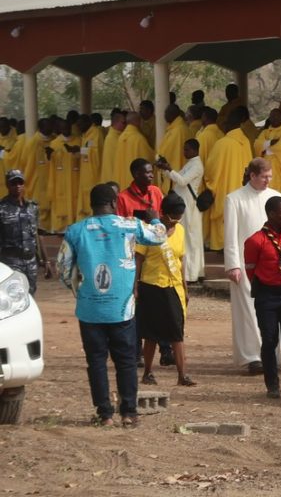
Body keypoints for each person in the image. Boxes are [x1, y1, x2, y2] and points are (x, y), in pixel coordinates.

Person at [57, 184, 167, 426]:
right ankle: (129, 412)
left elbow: (63, 270)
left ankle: (104, 414)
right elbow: (159, 236)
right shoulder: (129, 225)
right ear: (115, 202)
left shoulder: (76, 231)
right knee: (126, 361)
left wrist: (81, 292)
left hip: (90, 309)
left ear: (91, 203)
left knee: (96, 361)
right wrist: (156, 219)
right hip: (122, 308)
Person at [223, 158, 281, 375]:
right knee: (247, 309)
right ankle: (252, 357)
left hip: (273, 263)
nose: (268, 181)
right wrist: (232, 264)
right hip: (244, 263)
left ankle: (272, 355)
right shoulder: (234, 199)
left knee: (272, 308)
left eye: (270, 177)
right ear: (252, 176)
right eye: (264, 177)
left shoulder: (275, 197)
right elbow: (230, 234)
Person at [243, 196, 281, 398]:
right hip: (267, 296)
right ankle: (272, 385)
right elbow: (251, 271)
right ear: (271, 214)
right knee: (269, 341)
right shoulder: (255, 241)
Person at [136, 193, 195, 387]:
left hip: (173, 286)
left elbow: (181, 260)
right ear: (163, 213)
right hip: (151, 285)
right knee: (151, 334)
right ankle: (147, 373)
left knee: (177, 331)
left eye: (179, 217)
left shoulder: (180, 231)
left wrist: (185, 287)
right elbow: (139, 259)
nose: (176, 221)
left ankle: (182, 375)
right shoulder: (149, 230)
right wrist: (134, 286)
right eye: (173, 217)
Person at [203, 109, 255, 251]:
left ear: (228, 124)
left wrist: (209, 184)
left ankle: (221, 245)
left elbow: (211, 170)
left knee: (224, 216)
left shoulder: (222, 143)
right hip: (242, 189)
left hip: (224, 189)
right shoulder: (245, 142)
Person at [157, 140, 204, 286]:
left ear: (195, 150)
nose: (184, 152)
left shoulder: (197, 165)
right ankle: (190, 273)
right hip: (183, 204)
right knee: (187, 238)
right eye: (184, 149)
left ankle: (192, 274)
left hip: (189, 206)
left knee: (190, 239)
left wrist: (169, 170)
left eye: (187, 150)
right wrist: (166, 170)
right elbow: (178, 179)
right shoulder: (190, 163)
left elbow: (182, 181)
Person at [0, 169, 50, 293]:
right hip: (11, 261)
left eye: (20, 182)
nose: (17, 186)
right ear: (7, 185)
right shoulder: (2, 208)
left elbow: (38, 234)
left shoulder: (32, 207)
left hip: (30, 261)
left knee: (30, 295)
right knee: (14, 296)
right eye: (13, 183)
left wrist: (46, 260)